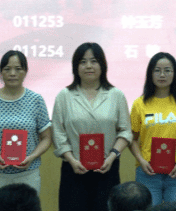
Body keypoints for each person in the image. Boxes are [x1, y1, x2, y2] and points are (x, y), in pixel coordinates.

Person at [52, 42, 132, 211]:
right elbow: (58, 132)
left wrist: (112, 157)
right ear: (76, 67)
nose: (88, 66)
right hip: (73, 169)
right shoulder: (64, 96)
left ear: (102, 65)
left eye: (94, 61)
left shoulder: (116, 95)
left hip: (107, 168)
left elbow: (125, 131)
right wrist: (71, 160)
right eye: (83, 62)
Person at [0, 50, 52, 201]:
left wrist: (33, 156)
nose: (12, 73)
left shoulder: (36, 100)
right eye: (7, 69)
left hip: (28, 174)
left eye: (18, 69)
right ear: (0, 72)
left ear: (25, 72)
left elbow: (47, 138)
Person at [130, 52, 176, 205]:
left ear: (175, 74)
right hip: (147, 172)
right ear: (150, 74)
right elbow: (132, 139)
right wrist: (141, 161)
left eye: (167, 70)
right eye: (157, 70)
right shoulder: (139, 104)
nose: (162, 75)